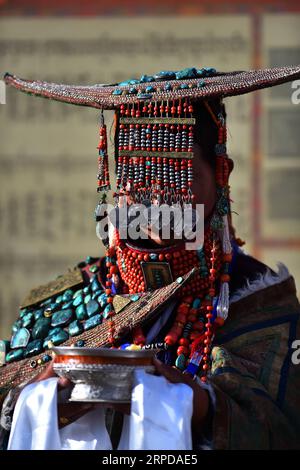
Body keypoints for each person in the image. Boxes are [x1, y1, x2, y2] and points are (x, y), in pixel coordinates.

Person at [1, 65, 300, 450]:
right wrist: (32, 403)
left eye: (174, 174)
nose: (154, 198)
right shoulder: (64, 301)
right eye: (135, 174)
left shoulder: (258, 301)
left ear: (221, 172)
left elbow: (282, 432)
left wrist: (199, 406)